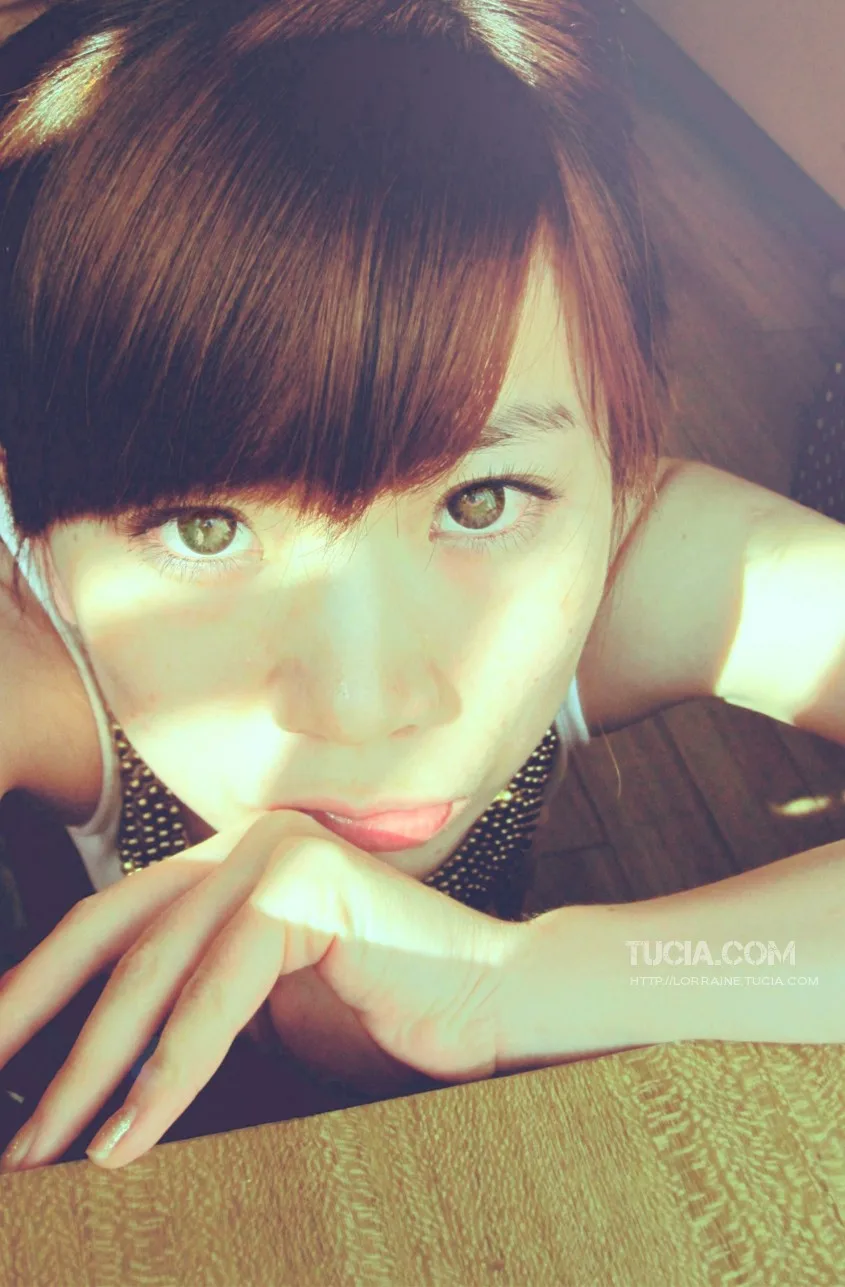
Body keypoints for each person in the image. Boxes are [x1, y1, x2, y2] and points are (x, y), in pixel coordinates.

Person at [0, 0, 842, 1176]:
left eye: (480, 500)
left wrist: (514, 981)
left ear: (617, 444)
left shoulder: (635, 559)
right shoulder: (35, 656)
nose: (362, 703)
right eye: (202, 526)